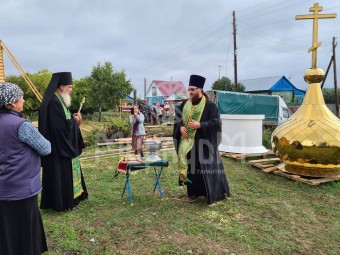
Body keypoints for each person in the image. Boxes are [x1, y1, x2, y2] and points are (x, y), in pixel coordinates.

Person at [0, 82, 51, 255]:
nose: (24, 100)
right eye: (21, 97)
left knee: (5, 234)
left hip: (2, 191)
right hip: (21, 190)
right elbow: (46, 148)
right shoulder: (22, 125)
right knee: (25, 234)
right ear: (12, 103)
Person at [173, 74, 230, 204]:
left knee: (206, 170)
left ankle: (208, 192)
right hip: (188, 144)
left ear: (200, 90)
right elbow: (177, 119)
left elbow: (216, 123)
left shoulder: (210, 106)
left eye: (192, 89)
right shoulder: (184, 104)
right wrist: (181, 128)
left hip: (204, 144)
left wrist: (201, 125)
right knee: (191, 169)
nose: (190, 92)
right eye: (189, 89)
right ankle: (192, 193)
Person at [38, 72, 88, 212]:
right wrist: (75, 121)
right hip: (57, 148)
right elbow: (60, 128)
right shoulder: (54, 102)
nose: (71, 90)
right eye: (69, 87)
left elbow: (63, 121)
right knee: (60, 175)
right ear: (61, 87)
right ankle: (62, 202)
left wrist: (72, 118)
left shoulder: (59, 100)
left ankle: (73, 197)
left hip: (61, 145)